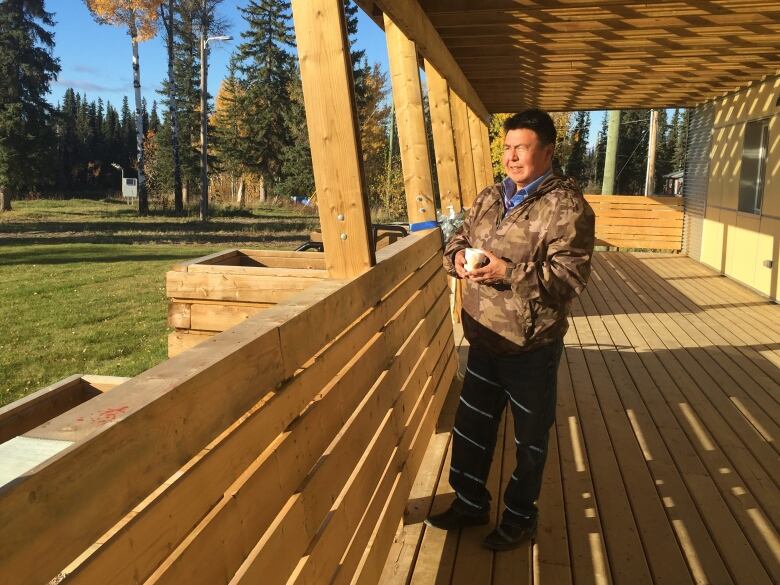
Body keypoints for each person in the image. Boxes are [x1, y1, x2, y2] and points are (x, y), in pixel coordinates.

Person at [425, 109, 595, 551]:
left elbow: (568, 279)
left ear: (548, 152)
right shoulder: (490, 197)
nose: (512, 157)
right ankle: (469, 503)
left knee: (529, 440)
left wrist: (507, 271)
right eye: (506, 148)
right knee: (471, 430)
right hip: (482, 336)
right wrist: (458, 260)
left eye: (522, 148)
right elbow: (456, 240)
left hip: (529, 345)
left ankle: (520, 517)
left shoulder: (567, 207)